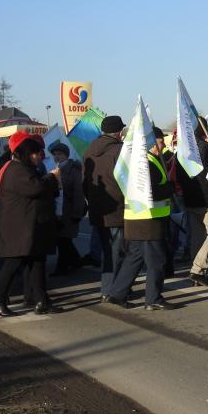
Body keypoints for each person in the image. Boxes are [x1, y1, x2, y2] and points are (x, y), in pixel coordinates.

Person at [0, 132, 61, 316]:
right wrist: (52, 177)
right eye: (37, 153)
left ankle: (42, 301)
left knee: (37, 263)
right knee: (12, 264)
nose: (40, 157)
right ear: (28, 153)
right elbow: (35, 188)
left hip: (28, 227)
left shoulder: (23, 168)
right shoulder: (17, 170)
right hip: (18, 229)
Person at [106, 127, 176, 310]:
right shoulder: (149, 163)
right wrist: (170, 188)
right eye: (161, 140)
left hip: (135, 220)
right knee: (157, 261)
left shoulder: (140, 162)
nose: (164, 144)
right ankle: (153, 299)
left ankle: (117, 293)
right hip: (148, 222)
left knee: (134, 259)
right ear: (154, 142)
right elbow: (149, 192)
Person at [83, 115, 126, 301]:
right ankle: (111, 290)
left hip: (97, 209)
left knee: (109, 251)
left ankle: (109, 288)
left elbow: (84, 182)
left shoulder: (89, 150)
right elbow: (127, 181)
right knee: (117, 251)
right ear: (119, 132)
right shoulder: (120, 151)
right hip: (117, 208)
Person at [176, 116, 208, 288]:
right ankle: (198, 269)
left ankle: (197, 271)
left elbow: (179, 176)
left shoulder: (183, 150)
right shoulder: (207, 149)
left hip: (190, 199)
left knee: (197, 236)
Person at [49, 142, 86, 276]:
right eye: (55, 155)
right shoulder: (56, 169)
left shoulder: (73, 170)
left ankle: (62, 267)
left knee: (63, 240)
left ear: (66, 155)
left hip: (69, 211)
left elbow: (78, 193)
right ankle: (76, 262)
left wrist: (77, 213)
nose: (57, 157)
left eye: (59, 154)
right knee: (63, 240)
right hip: (59, 211)